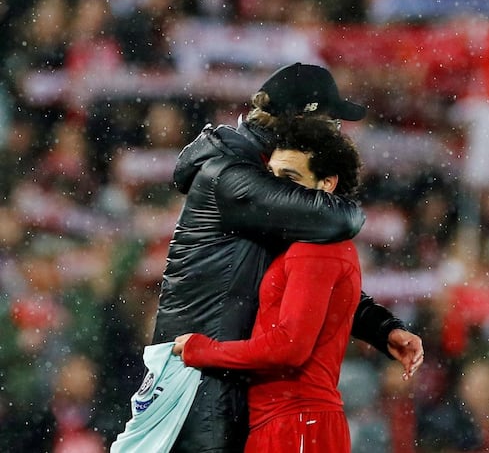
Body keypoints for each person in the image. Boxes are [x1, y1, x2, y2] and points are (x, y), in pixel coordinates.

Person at [149, 63, 423, 453]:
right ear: (301, 120)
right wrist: (333, 188)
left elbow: (308, 282)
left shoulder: (260, 185)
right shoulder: (230, 176)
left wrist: (380, 328)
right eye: (330, 123)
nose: (336, 136)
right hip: (200, 376)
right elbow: (339, 215)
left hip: (224, 368)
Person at [174, 116, 366, 452]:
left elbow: (290, 346)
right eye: (272, 177)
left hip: (296, 421)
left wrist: (204, 350)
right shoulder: (305, 243)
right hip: (288, 421)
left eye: (290, 178)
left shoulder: (315, 248)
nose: (277, 188)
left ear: (327, 184)